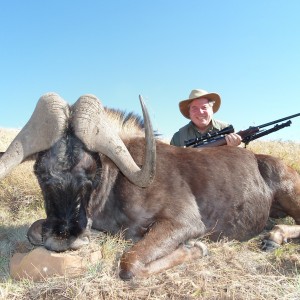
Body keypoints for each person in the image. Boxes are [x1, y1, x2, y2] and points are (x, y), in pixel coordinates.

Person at [170, 89, 242, 147]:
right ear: (189, 112)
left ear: (212, 109)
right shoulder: (178, 138)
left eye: (204, 107)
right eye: (194, 108)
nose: (200, 112)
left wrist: (232, 149)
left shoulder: (226, 129)